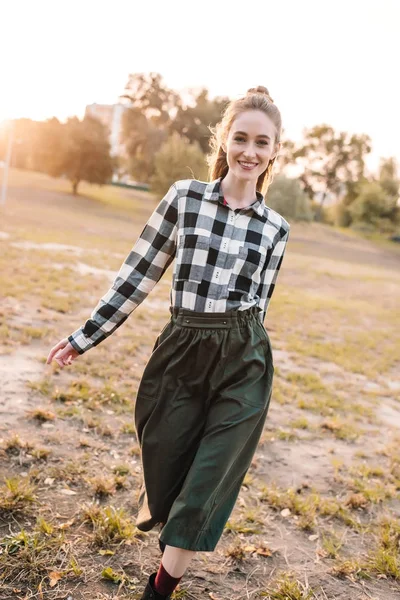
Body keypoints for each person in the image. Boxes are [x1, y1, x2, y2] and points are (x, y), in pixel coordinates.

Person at [46, 85, 290, 600]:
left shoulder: (277, 229)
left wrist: (248, 355)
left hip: (243, 358)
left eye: (261, 142)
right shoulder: (184, 198)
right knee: (165, 463)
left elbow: (261, 305)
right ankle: (169, 544)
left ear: (275, 151)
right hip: (182, 348)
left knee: (207, 480)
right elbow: (136, 277)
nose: (249, 150)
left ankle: (160, 587)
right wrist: (83, 338)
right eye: (240, 137)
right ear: (224, 140)